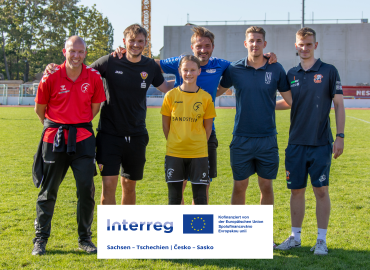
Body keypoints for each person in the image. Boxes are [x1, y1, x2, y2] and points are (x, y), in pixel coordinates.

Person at [114, 26, 278, 204]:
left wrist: (266, 57)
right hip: (180, 136)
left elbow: (245, 66)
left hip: (206, 134)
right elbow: (151, 63)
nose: (203, 50)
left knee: (202, 187)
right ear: (192, 48)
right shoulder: (180, 61)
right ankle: (180, 227)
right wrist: (127, 53)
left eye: (207, 46)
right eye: (199, 46)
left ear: (213, 47)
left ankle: (195, 228)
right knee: (179, 186)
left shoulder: (222, 65)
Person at [45, 24, 169, 205]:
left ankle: (125, 231)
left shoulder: (150, 65)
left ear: (146, 43)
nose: (136, 45)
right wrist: (55, 67)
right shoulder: (110, 61)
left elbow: (167, 88)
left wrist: (194, 80)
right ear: (124, 41)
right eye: (131, 41)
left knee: (129, 185)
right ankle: (109, 232)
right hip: (109, 135)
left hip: (137, 135)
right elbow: (80, 70)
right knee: (109, 185)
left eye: (140, 41)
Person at [32, 36, 106, 255]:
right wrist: (57, 127)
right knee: (48, 191)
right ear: (64, 52)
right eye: (72, 51)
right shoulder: (50, 77)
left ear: (85, 53)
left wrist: (77, 124)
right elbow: (40, 110)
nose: (76, 56)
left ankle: (85, 239)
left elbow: (95, 108)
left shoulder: (93, 76)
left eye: (81, 52)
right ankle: (40, 239)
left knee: (86, 190)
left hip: (83, 139)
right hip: (54, 140)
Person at [218, 26, 292, 248]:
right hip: (241, 137)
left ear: (264, 44)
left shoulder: (276, 68)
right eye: (251, 40)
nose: (255, 44)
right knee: (239, 186)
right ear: (245, 43)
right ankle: (236, 236)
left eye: (259, 40)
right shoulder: (234, 69)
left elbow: (290, 102)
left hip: (267, 138)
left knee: (266, 187)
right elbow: (215, 91)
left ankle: (263, 237)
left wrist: (270, 105)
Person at [275, 27, 345, 256]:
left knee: (321, 191)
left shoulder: (328, 71)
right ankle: (295, 237)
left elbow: (339, 104)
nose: (304, 48)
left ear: (315, 45)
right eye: (300, 44)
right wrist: (268, 104)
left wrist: (340, 137)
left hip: (321, 143)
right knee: (296, 191)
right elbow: (290, 102)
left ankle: (321, 240)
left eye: (308, 44)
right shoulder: (291, 74)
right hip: (295, 143)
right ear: (296, 46)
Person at [161, 55, 216, 205]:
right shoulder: (170, 96)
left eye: (193, 70)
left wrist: (197, 143)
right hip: (174, 152)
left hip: (199, 153)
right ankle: (177, 228)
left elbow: (208, 127)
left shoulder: (205, 98)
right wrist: (175, 141)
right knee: (174, 199)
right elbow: (166, 126)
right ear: (179, 71)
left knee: (200, 199)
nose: (189, 73)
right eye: (185, 70)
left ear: (199, 71)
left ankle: (198, 229)